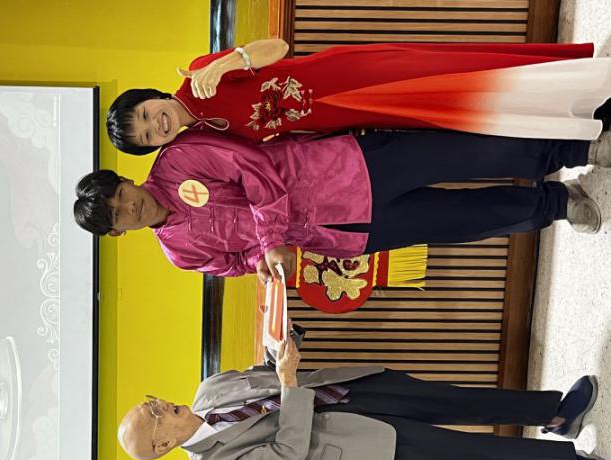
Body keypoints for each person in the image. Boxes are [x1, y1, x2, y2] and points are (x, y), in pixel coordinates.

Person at [116, 327, 608, 460]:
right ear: (163, 445)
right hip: (355, 449)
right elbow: (287, 453)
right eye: (154, 415)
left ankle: (554, 413)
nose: (160, 404)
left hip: (348, 391)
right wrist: (288, 383)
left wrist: (283, 346)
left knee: (454, 398)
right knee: (470, 455)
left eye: (150, 401)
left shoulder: (209, 389)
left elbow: (266, 375)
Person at [74, 129, 610, 281]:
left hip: (344, 168)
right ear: (117, 233)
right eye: (118, 214)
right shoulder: (180, 253)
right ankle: (555, 203)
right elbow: (234, 263)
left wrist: (268, 240)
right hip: (342, 234)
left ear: (124, 179)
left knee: (467, 154)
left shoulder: (176, 160)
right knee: (462, 220)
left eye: (120, 194)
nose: (129, 206)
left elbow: (251, 167)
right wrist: (261, 262)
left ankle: (573, 150)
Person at [106, 38, 611, 155]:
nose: (156, 125)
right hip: (346, 116)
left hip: (346, 73)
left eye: (146, 114)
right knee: (451, 111)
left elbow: (278, 48)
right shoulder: (202, 143)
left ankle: (585, 82)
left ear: (152, 97)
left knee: (455, 73)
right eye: (147, 135)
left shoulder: (201, 74)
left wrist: (226, 62)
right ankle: (575, 110)